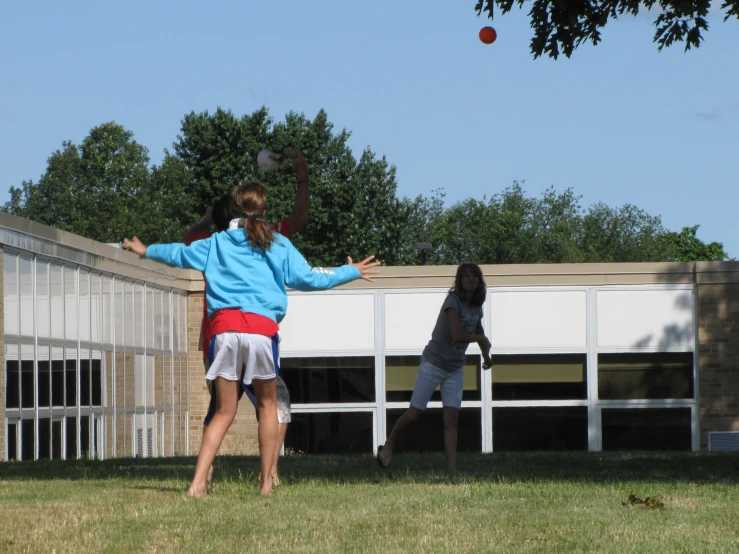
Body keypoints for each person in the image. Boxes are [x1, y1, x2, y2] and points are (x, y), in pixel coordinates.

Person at [123, 182, 380, 496]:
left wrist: (147, 250)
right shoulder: (278, 243)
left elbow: (179, 253)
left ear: (233, 209)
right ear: (264, 209)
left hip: (224, 332)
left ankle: (198, 484)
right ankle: (265, 484)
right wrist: (350, 271)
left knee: (223, 412)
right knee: (269, 406)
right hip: (261, 332)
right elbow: (310, 278)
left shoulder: (216, 242)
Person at [184, 151, 309, 487]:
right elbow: (298, 220)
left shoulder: (212, 242)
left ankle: (203, 478)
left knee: (220, 412)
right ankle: (269, 476)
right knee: (275, 404)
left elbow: (184, 243)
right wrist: (302, 177)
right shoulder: (267, 237)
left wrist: (208, 218)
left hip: (219, 337)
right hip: (255, 334)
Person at [377, 262, 492, 473]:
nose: (471, 280)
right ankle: (388, 447)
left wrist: (486, 354)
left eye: (474, 276)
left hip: (455, 367)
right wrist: (482, 338)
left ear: (479, 280)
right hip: (433, 363)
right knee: (413, 414)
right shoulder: (452, 301)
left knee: (451, 419)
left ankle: (451, 472)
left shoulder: (476, 306)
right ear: (459, 280)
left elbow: (477, 330)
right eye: (466, 276)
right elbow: (457, 334)